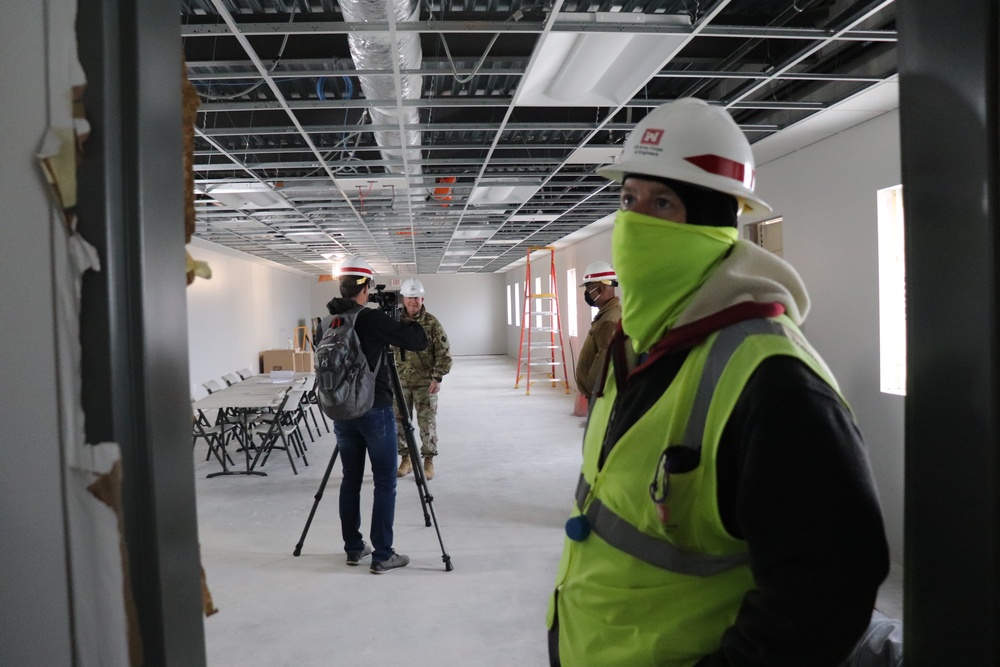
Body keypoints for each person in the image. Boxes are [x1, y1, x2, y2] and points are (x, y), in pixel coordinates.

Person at [547, 97, 890, 665]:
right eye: (628, 199)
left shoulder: (776, 384)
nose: (635, 222)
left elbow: (825, 593)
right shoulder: (637, 343)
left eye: (664, 203)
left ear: (713, 222)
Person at [325, 256, 427, 574]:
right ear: (366, 287)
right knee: (385, 482)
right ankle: (383, 554)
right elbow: (417, 341)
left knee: (350, 480)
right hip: (374, 409)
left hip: (342, 412)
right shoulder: (370, 319)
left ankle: (354, 549)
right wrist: (407, 316)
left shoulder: (328, 322)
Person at [393, 278, 452, 481]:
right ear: (403, 299)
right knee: (400, 423)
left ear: (422, 298)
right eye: (409, 298)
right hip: (399, 383)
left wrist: (438, 377)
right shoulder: (394, 322)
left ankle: (428, 461)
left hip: (425, 383)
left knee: (427, 423)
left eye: (416, 298)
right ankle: (406, 459)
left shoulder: (432, 323)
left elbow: (444, 352)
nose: (413, 302)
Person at [574, 261, 622, 400]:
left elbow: (603, 363)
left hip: (599, 395)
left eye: (589, 289)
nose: (587, 294)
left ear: (600, 289)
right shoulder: (606, 315)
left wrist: (591, 390)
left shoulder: (609, 321)